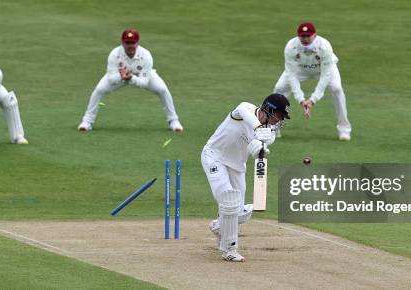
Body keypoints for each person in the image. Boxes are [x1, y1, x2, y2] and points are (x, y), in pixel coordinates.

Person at [201, 93, 290, 262]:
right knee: (229, 201)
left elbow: (258, 146)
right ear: (268, 109)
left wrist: (259, 149)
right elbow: (242, 111)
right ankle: (229, 250)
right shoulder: (245, 108)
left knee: (240, 212)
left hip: (237, 167)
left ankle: (219, 226)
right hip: (214, 157)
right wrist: (258, 129)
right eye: (278, 115)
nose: (279, 120)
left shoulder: (270, 132)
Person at [77, 29, 183, 132]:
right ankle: (87, 122)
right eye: (127, 43)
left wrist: (132, 77)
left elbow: (144, 82)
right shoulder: (114, 54)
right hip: (120, 76)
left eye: (133, 43)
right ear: (122, 43)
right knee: (99, 90)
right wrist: (121, 76)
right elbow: (111, 79)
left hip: (139, 76)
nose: (130, 46)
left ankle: (173, 121)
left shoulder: (146, 56)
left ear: (137, 43)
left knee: (162, 90)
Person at [273, 21, 351, 140]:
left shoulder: (324, 46)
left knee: (336, 88)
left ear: (314, 35)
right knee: (279, 88)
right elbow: (291, 75)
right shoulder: (291, 46)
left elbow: (325, 76)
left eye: (307, 36)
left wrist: (313, 100)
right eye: (302, 36)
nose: (304, 38)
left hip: (322, 70)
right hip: (300, 69)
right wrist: (301, 99)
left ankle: (344, 129)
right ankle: (273, 127)